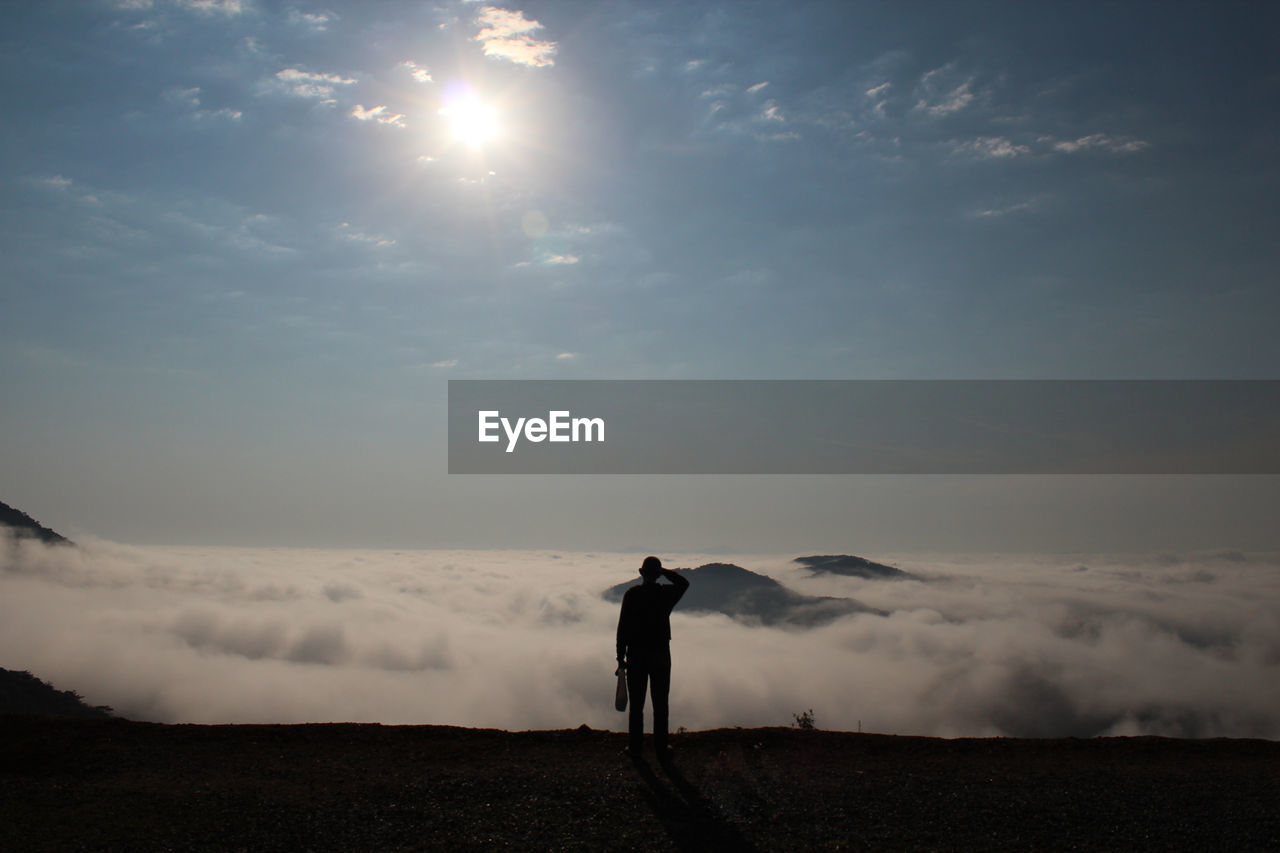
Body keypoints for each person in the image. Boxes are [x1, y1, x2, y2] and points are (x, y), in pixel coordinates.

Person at [616, 556, 690, 760]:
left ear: (641, 573)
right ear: (656, 574)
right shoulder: (664, 594)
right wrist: (664, 571)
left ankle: (635, 748)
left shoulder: (632, 595)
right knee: (660, 704)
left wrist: (619, 657)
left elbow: (622, 628)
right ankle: (661, 748)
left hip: (636, 655)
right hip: (660, 656)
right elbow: (684, 583)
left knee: (637, 705)